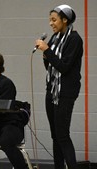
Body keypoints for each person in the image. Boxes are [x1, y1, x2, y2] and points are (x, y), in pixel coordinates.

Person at [35, 4, 83, 169]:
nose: (51, 23)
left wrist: (47, 51)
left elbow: (64, 67)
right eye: (50, 20)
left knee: (62, 135)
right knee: (55, 135)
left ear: (65, 20)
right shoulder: (55, 38)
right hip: (52, 91)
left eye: (54, 20)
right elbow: (50, 66)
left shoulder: (74, 39)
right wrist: (46, 55)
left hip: (66, 92)